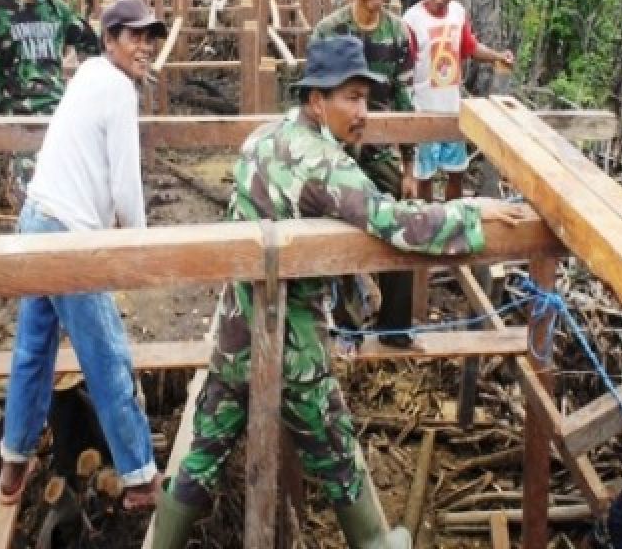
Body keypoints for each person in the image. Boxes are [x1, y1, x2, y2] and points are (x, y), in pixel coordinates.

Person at [152, 36, 491, 549]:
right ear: (317, 101)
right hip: (294, 344)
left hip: (236, 331)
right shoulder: (326, 164)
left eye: (367, 99)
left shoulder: (263, 139)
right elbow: (393, 221)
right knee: (335, 450)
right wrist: (476, 219)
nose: (364, 112)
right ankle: (376, 543)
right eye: (351, 98)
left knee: (203, 452)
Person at [0, 0, 167, 510]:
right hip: (68, 234)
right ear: (109, 40)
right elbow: (125, 184)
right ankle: (139, 476)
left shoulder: (90, 74)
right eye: (134, 36)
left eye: (150, 37)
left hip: (37, 219)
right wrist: (139, 247)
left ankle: (14, 458)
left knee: (33, 349)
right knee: (106, 354)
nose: (146, 46)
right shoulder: (117, 89)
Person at [312, 0, 418, 347]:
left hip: (378, 148)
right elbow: (312, 99)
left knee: (404, 220)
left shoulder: (398, 34)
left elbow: (406, 100)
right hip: (333, 149)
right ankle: (345, 324)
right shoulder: (330, 31)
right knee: (335, 227)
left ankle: (394, 328)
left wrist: (409, 168)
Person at [0, 0, 100, 199]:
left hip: (58, 115)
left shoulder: (56, 10)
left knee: (69, 189)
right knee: (30, 194)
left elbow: (93, 45)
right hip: (19, 117)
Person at [402, 0, 515, 202]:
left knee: (456, 172)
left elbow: (470, 47)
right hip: (424, 108)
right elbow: (404, 67)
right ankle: (429, 227)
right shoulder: (412, 20)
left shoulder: (457, 14)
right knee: (425, 175)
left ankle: (454, 220)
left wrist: (497, 56)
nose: (440, 0)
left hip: (452, 108)